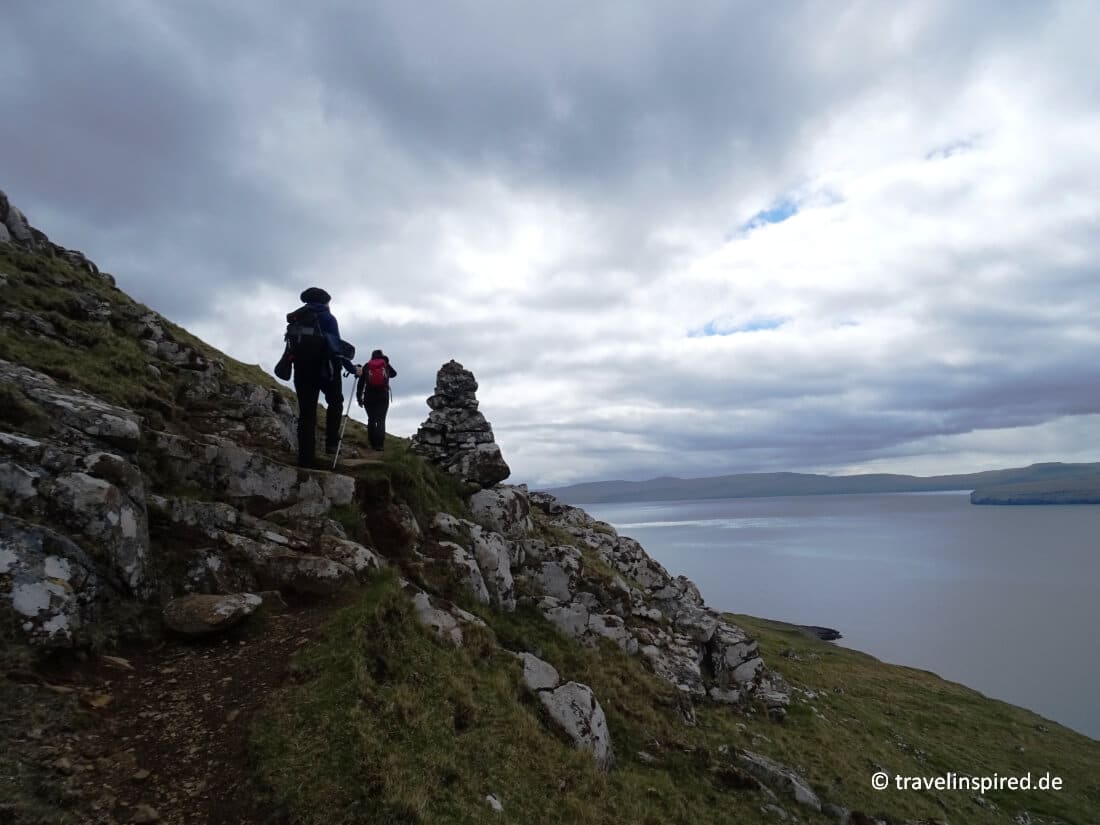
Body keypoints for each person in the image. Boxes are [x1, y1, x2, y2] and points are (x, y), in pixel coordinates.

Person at [291, 287, 359, 468]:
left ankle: (305, 459)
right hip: (326, 370)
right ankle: (331, 444)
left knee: (307, 414)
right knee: (336, 402)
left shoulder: (296, 319)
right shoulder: (328, 318)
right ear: (324, 301)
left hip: (301, 371)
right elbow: (336, 348)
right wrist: (352, 369)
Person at [356, 349, 397, 452]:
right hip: (383, 395)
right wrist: (386, 362)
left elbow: (361, 383)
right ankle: (380, 445)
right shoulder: (385, 365)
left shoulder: (367, 366)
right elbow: (394, 374)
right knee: (381, 420)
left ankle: (372, 443)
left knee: (371, 419)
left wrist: (359, 398)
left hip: (369, 396)